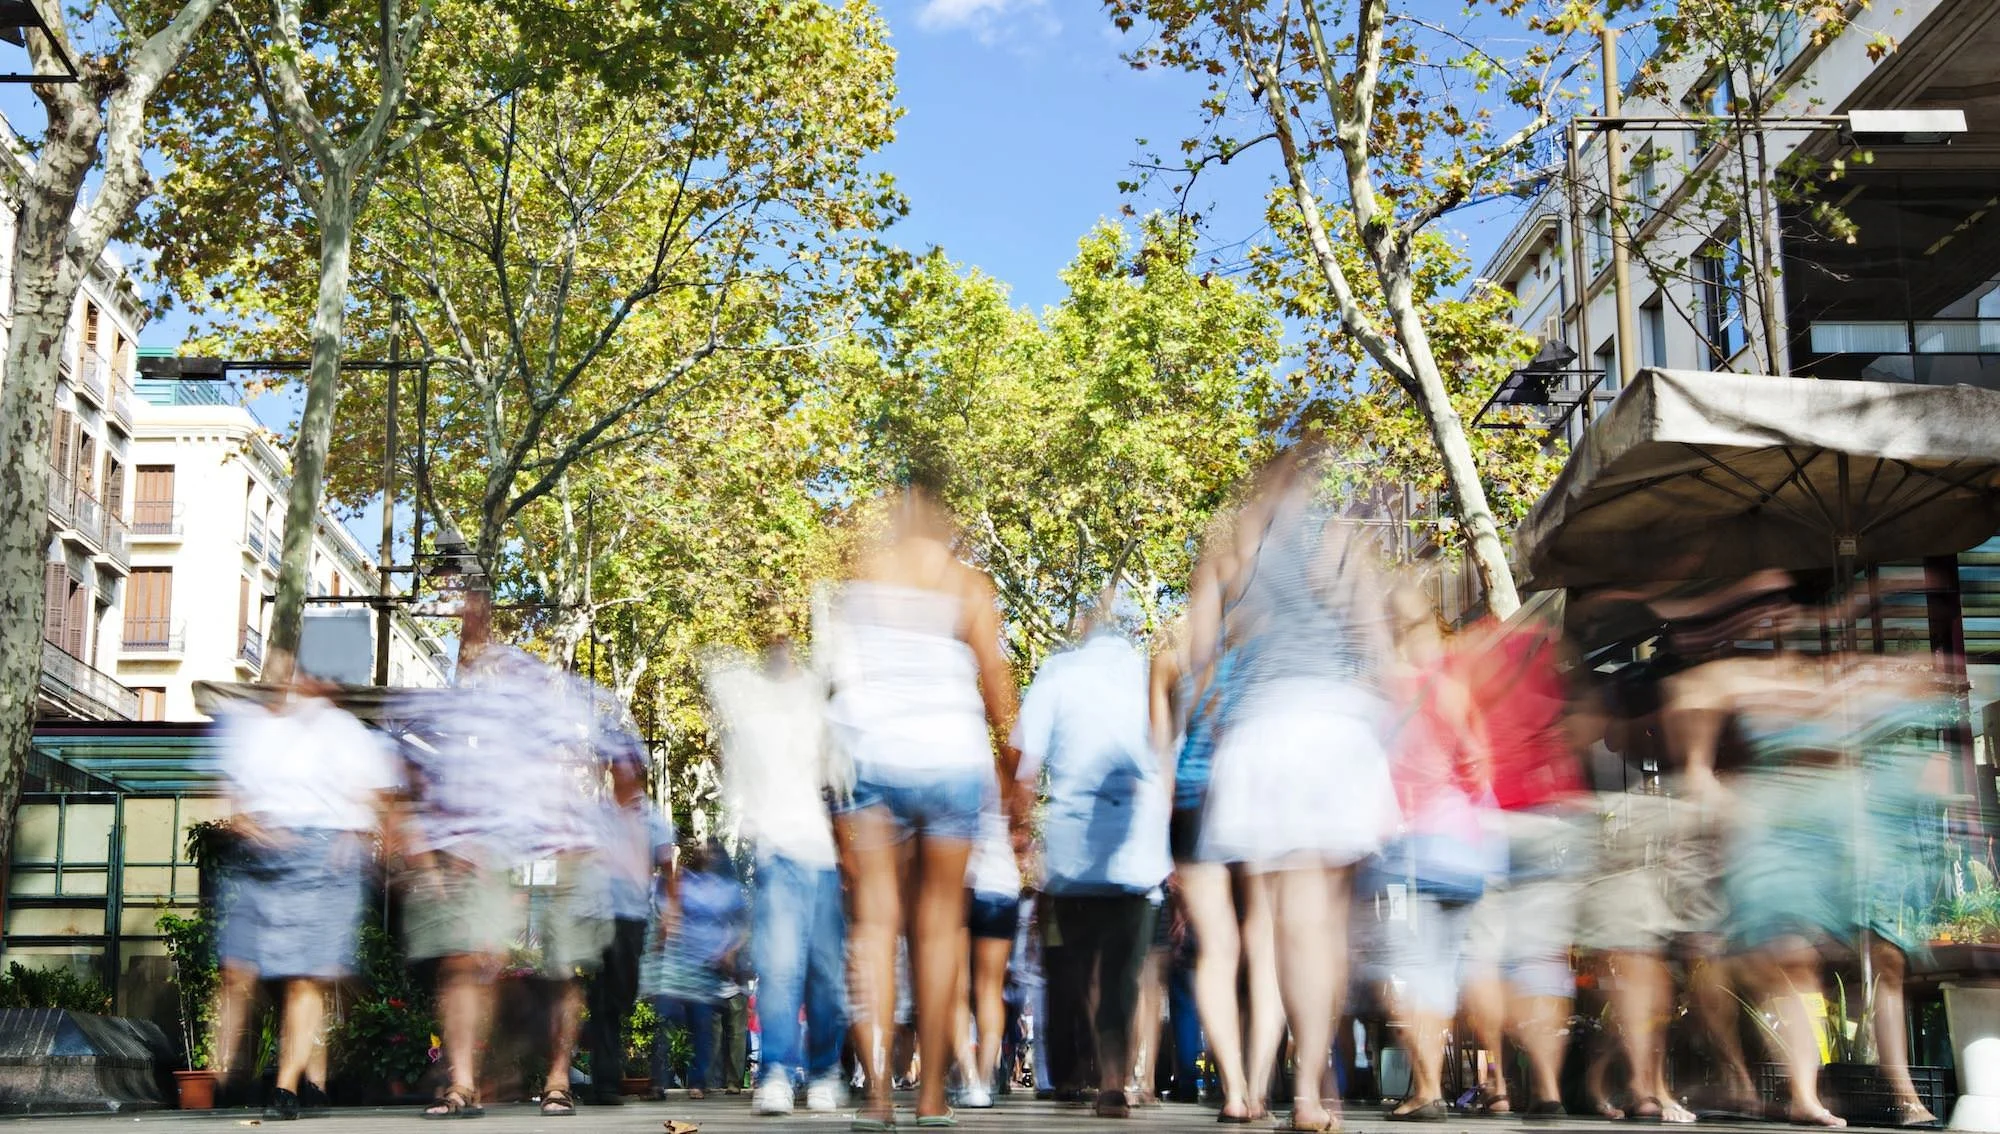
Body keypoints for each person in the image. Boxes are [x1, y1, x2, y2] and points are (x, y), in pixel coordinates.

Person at [1195, 457, 1397, 1134]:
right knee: (1323, 922)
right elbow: (1383, 657)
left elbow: (1198, 654)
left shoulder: (1231, 548)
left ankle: (1299, 1089)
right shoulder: (1342, 543)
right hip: (1337, 731)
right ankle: (1311, 1088)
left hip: (1265, 734)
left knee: (1283, 923)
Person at [821, 481, 1019, 1130]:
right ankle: (932, 1095)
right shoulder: (968, 583)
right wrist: (1016, 779)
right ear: (946, 517)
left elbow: (834, 684)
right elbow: (998, 691)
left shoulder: (862, 578)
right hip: (952, 762)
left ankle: (879, 1094)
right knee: (938, 935)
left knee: (875, 930)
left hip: (872, 761)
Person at [392, 588, 611, 1119]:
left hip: (558, 848)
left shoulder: (556, 700)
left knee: (560, 970)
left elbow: (584, 770)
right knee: (465, 962)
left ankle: (558, 1080)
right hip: (488, 847)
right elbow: (432, 771)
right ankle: (462, 1084)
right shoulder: (467, 706)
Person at [213, 673, 397, 1121]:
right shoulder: (257, 727)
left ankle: (289, 1086)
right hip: (264, 854)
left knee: (304, 977)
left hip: (322, 852)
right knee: (242, 971)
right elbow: (231, 797)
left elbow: (375, 797)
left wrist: (351, 839)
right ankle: (232, 1072)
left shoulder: (346, 733)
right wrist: (251, 825)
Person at [1016, 596, 1172, 1120]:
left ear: (1082, 629)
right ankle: (1110, 1079)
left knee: (1075, 966)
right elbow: (1166, 748)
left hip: (1072, 850)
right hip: (1136, 849)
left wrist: (1020, 825)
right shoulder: (1148, 670)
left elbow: (1026, 760)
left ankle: (1079, 1069)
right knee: (1122, 975)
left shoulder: (1058, 672)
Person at [707, 635, 848, 1115]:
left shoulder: (819, 696)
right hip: (777, 857)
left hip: (825, 858)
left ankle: (826, 1070)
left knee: (826, 978)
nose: (780, 641)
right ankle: (776, 1073)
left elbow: (842, 774)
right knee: (782, 971)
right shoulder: (748, 700)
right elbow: (736, 780)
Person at [1372, 585, 1493, 1122]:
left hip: (1415, 847)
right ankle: (1432, 1085)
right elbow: (1478, 768)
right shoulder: (1453, 690)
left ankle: (1427, 1089)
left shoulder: (1386, 689)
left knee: (1407, 972)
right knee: (1440, 976)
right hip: (1465, 848)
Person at [582, 729, 673, 1106]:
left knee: (620, 994)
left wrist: (670, 915)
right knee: (602, 996)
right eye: (613, 761)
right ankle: (604, 1083)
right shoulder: (596, 813)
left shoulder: (653, 819)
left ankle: (600, 1061)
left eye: (625, 760)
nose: (618, 767)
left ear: (637, 768)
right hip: (597, 913)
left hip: (632, 917)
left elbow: (668, 869)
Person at [647, 840, 750, 1100]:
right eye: (706, 851)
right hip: (677, 964)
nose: (709, 856)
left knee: (702, 1028)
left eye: (714, 852)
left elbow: (743, 925)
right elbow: (667, 902)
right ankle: (658, 1082)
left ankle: (698, 1083)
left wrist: (730, 950)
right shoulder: (685, 881)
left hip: (706, 968)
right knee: (664, 1022)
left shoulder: (730, 889)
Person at [956, 788, 1024, 1108]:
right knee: (989, 989)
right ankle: (984, 1081)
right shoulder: (1001, 771)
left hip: (959, 883)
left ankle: (969, 1080)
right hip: (1001, 883)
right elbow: (1019, 815)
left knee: (955, 991)